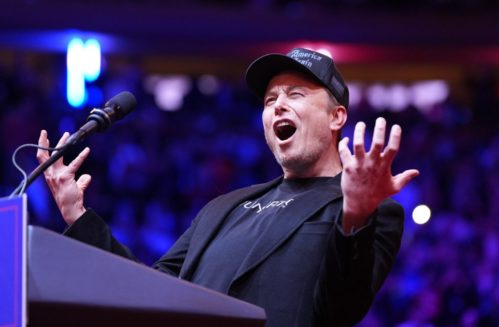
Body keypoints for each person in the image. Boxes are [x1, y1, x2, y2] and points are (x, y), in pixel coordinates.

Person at [37, 48, 419, 326]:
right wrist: (77, 214)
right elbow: (148, 290)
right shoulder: (224, 208)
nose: (278, 106)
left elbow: (340, 310)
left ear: (337, 117)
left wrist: (355, 216)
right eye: (270, 100)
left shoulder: (371, 210)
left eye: (296, 95)